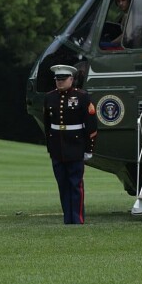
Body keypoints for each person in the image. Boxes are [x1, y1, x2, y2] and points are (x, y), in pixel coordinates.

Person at [43, 64, 97, 224]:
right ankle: (68, 218)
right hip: (57, 148)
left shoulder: (82, 96)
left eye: (63, 79)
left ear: (71, 79)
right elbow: (47, 125)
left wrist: (89, 148)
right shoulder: (49, 97)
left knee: (75, 184)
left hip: (75, 146)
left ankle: (77, 218)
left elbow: (91, 125)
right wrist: (50, 147)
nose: (60, 82)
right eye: (57, 79)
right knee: (62, 184)